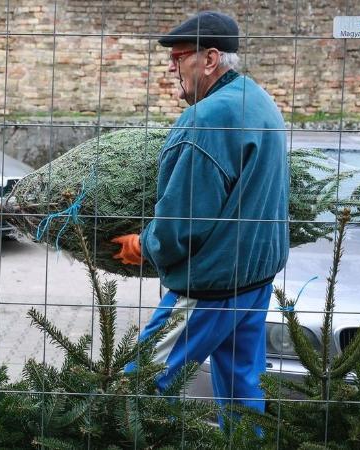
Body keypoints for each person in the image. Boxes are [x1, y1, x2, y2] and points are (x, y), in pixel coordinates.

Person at [111, 11, 289, 425]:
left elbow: (183, 221)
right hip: (255, 280)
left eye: (179, 58)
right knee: (242, 389)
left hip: (211, 285)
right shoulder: (258, 99)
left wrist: (145, 246)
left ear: (210, 59)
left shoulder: (205, 120)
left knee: (141, 384)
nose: (172, 68)